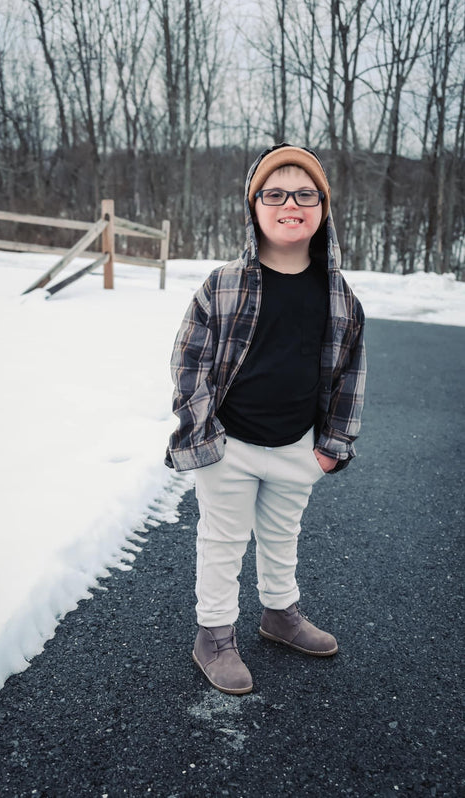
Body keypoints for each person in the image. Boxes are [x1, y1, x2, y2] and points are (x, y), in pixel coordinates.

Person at [165, 143, 366, 695]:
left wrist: (332, 445)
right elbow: (189, 363)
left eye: (305, 194)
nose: (290, 204)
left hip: (297, 445)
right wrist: (202, 434)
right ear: (253, 207)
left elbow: (350, 375)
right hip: (229, 444)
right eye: (274, 194)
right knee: (223, 541)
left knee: (282, 534)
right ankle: (214, 634)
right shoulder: (223, 284)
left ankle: (280, 613)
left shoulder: (340, 297)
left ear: (323, 208)